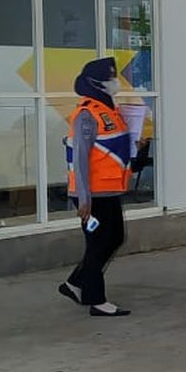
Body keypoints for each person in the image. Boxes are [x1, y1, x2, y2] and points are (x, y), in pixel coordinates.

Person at [58, 57, 133, 317]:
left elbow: (113, 147)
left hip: (110, 190)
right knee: (99, 243)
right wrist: (83, 199)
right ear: (95, 82)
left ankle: (75, 283)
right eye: (110, 77)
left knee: (113, 238)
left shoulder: (109, 110)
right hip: (93, 194)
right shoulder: (87, 114)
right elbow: (79, 157)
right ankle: (96, 300)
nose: (114, 82)